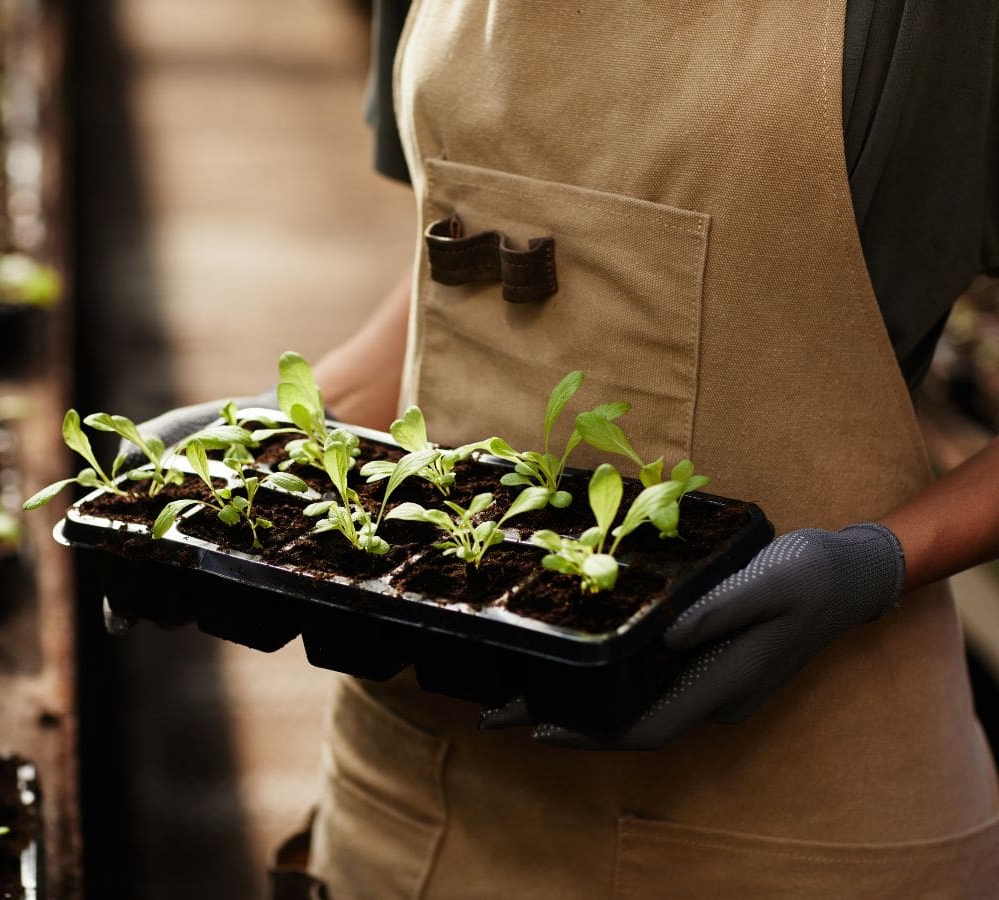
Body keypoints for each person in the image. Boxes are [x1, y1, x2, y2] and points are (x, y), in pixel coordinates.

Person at [130, 1, 999, 895]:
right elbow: (477, 237)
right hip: (409, 797)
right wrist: (295, 424)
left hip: (779, 819)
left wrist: (879, 560)